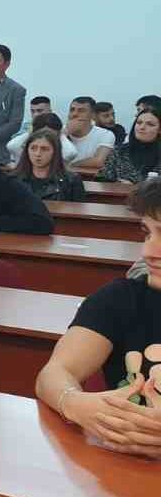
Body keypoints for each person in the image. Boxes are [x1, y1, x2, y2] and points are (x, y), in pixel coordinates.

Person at [35, 179, 161, 459]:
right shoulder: (119, 299)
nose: (148, 252)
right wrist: (76, 403)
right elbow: (53, 374)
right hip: (125, 470)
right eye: (147, 234)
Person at [13, 129, 86, 202]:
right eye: (33, 148)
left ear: (55, 152)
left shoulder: (71, 181)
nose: (38, 154)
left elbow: (79, 210)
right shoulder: (14, 179)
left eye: (44, 149)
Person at [98, 109, 161, 184]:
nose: (142, 127)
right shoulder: (119, 151)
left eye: (150, 124)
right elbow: (101, 179)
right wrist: (117, 184)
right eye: (139, 123)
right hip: (118, 194)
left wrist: (135, 187)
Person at [7, 112, 78, 165]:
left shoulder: (64, 151)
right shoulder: (18, 147)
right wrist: (30, 134)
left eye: (50, 135)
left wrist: (62, 135)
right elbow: (12, 145)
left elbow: (70, 152)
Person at [66, 96, 116, 169]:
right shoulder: (59, 131)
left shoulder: (106, 134)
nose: (75, 114)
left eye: (81, 110)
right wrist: (64, 135)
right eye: (72, 110)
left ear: (92, 115)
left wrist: (70, 165)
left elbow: (99, 161)